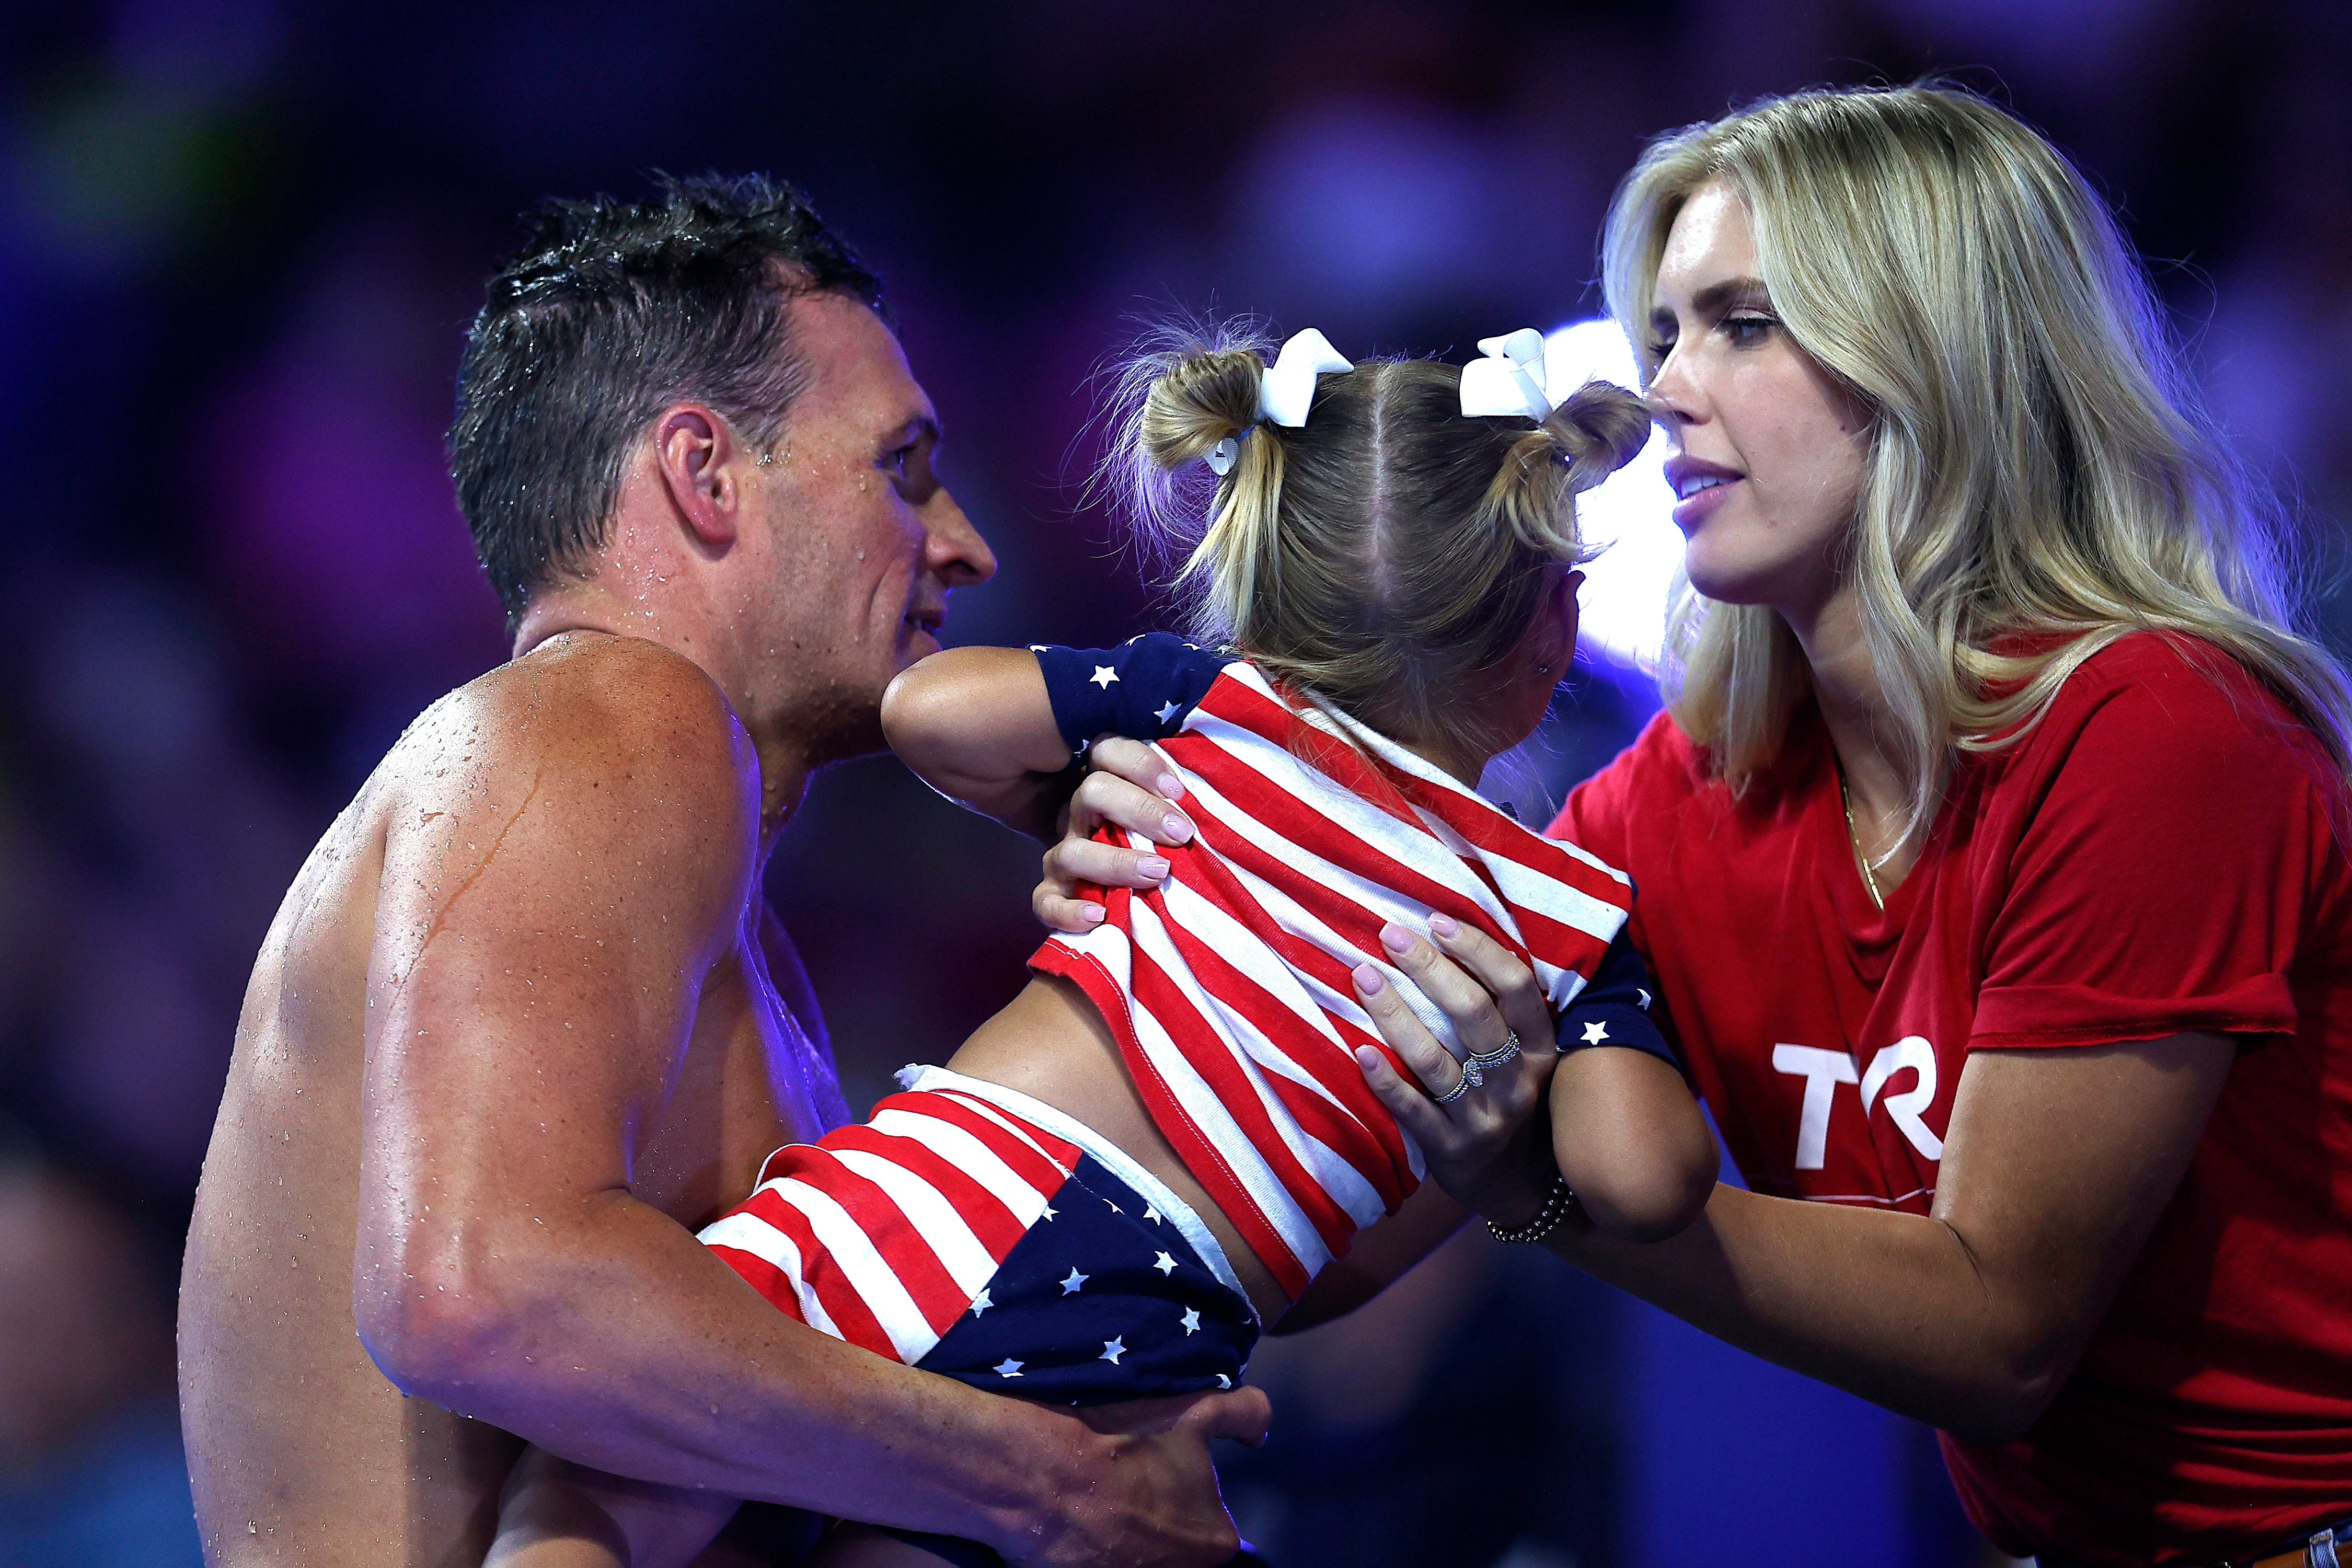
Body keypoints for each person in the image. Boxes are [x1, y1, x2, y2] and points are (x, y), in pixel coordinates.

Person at [1045, 86, 2352, 1568]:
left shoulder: (2157, 733)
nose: (1664, 389)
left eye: (1740, 323)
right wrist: (1182, 894)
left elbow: (1999, 1335)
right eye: (1663, 332)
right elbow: (1325, 1241)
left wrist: (1544, 1195)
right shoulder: (1683, 791)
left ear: (1932, 356)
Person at [483, 327, 1721, 1568]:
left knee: (598, 1494)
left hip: (941, 1196)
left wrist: (1076, 792)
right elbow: (1645, 1176)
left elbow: (928, 710)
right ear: (1555, 623)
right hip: (1140, 1332)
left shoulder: (1215, 710)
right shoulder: (1556, 910)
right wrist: (1516, 1159)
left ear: (1258, 577)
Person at [176, 174, 1274, 1568]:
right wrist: (1047, 1485)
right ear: (701, 473)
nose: (964, 545)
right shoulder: (605, 719)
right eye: (902, 468)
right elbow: (480, 1288)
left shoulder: (692, 877)